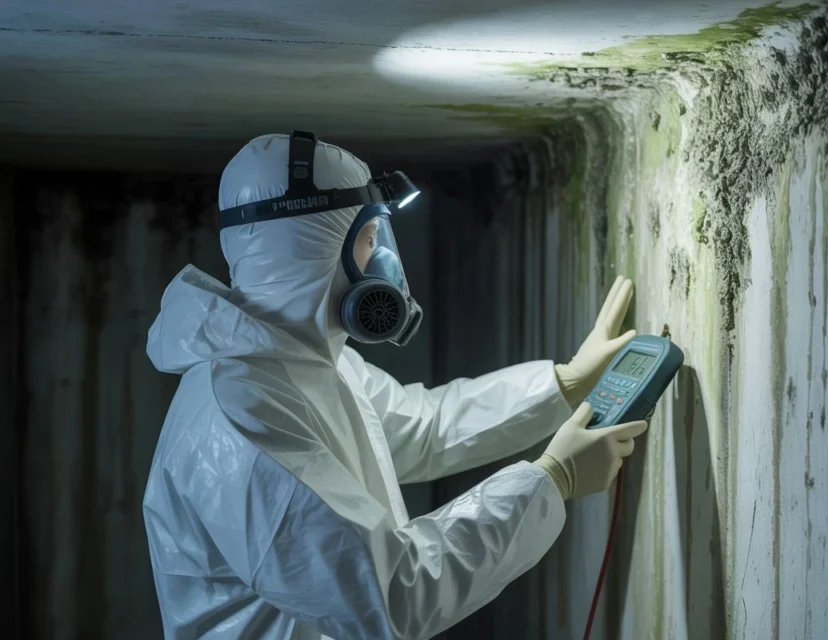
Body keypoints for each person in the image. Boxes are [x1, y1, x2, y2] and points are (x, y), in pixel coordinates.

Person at [142, 131, 648, 640]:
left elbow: (424, 428)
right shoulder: (241, 418)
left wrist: (561, 383)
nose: (382, 260)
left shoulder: (308, 365)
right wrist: (550, 480)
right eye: (368, 239)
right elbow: (391, 598)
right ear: (312, 250)